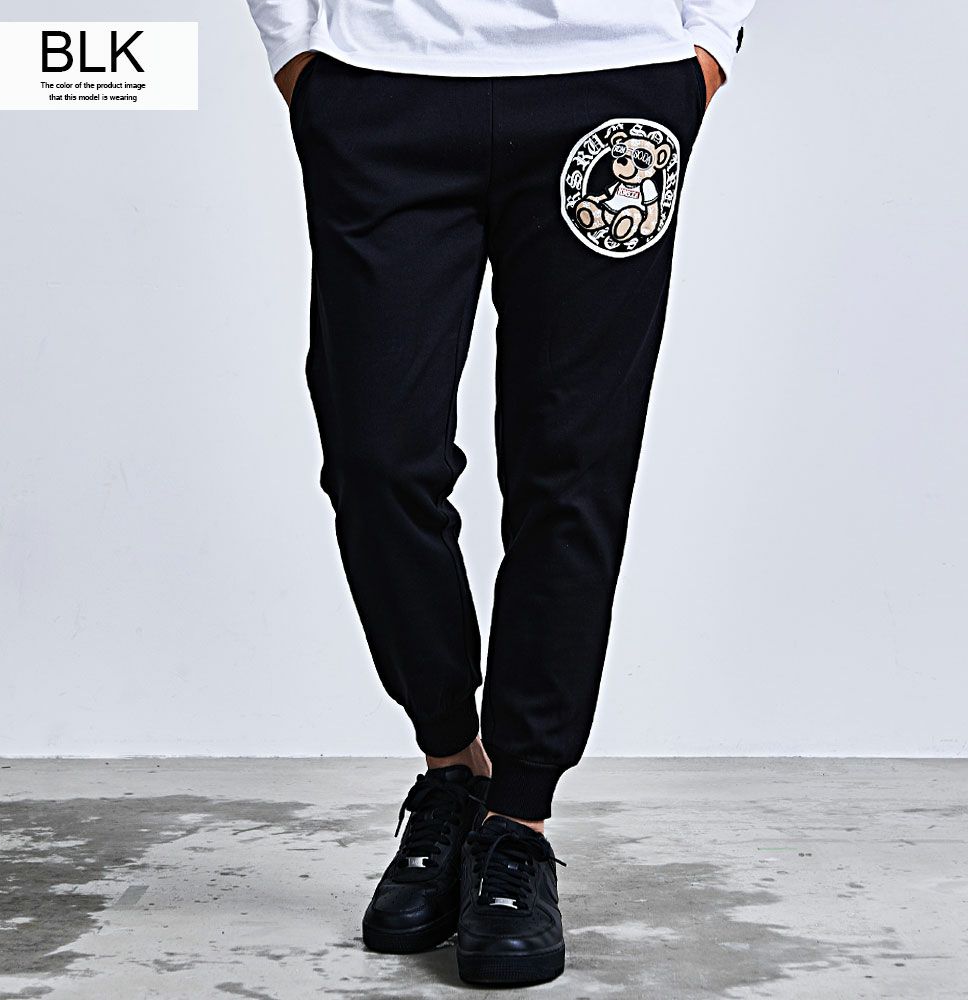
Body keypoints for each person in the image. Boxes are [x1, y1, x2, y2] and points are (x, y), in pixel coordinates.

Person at [245, 0, 755, 986]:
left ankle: (518, 820)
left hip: (613, 83)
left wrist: (705, 47)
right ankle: (453, 765)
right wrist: (297, 50)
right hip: (379, 84)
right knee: (377, 456)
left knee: (573, 465)